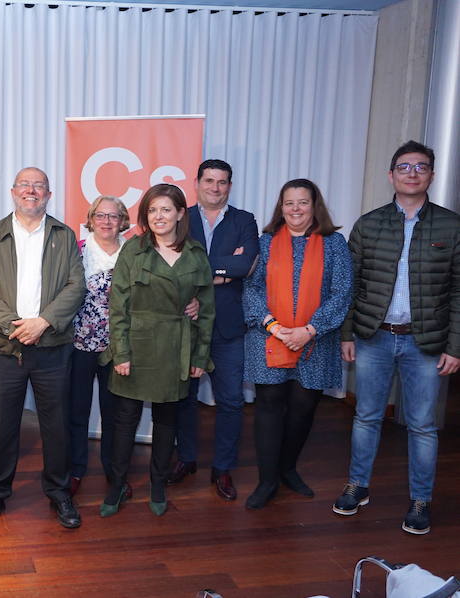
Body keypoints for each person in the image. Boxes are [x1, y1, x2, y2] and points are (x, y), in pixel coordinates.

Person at [335, 140, 459, 535]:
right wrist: (347, 333)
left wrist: (455, 346)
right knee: (366, 417)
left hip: (426, 342)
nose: (412, 173)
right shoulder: (369, 224)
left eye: (420, 167)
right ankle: (357, 486)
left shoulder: (451, 226)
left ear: (431, 176)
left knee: (423, 425)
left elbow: (458, 290)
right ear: (391, 175)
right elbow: (350, 286)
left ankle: (420, 500)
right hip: (374, 338)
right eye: (404, 167)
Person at [0, 167, 86, 529]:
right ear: (13, 191)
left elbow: (75, 286)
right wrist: (14, 326)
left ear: (48, 195)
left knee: (56, 426)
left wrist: (44, 321)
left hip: (52, 347)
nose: (31, 191)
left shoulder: (64, 236)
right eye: (25, 185)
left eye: (39, 186)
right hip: (5, 347)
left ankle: (59, 493)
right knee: (1, 426)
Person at [102, 183, 214, 518]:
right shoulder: (133, 250)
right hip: (135, 347)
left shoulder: (195, 255)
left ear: (181, 213)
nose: (159, 216)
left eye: (166, 209)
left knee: (167, 423)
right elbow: (117, 306)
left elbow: (206, 310)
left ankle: (158, 484)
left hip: (175, 349)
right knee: (124, 422)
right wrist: (120, 353)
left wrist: (199, 358)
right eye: (152, 210)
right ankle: (117, 485)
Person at [242, 179, 351, 509]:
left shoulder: (334, 244)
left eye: (302, 202)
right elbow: (251, 289)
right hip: (268, 338)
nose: (295, 209)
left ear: (314, 205)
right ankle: (267, 480)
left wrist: (310, 329)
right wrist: (274, 326)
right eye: (289, 203)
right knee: (269, 407)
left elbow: (342, 292)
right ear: (281, 206)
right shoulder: (263, 242)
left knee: (303, 410)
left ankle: (287, 469)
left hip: (316, 341)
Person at [170, 159, 259, 502]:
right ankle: (187, 458)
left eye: (222, 182)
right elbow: (173, 265)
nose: (215, 187)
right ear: (197, 183)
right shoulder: (181, 217)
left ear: (229, 186)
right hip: (186, 323)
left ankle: (223, 468)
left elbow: (246, 264)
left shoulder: (244, 220)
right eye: (209, 181)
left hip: (228, 327)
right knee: (184, 400)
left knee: (232, 401)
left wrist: (211, 271)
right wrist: (223, 273)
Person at [67, 195, 129, 496]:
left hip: (118, 348)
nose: (106, 221)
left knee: (114, 413)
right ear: (90, 220)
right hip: (78, 345)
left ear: (122, 221)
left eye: (113, 216)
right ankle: (75, 470)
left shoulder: (133, 254)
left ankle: (114, 472)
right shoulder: (76, 251)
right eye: (100, 215)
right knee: (76, 411)